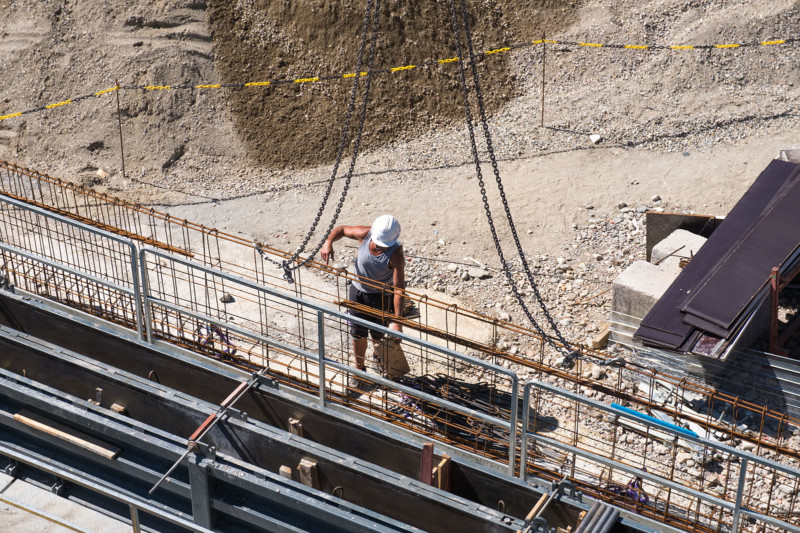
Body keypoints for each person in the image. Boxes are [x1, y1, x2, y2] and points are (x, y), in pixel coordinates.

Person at [321, 215, 405, 392]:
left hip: (381, 297)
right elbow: (341, 229)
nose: (381, 247)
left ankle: (378, 358)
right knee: (357, 335)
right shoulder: (365, 234)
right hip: (358, 293)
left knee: (378, 335)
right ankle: (359, 369)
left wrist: (398, 322)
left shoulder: (396, 253)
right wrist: (328, 242)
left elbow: (398, 290)